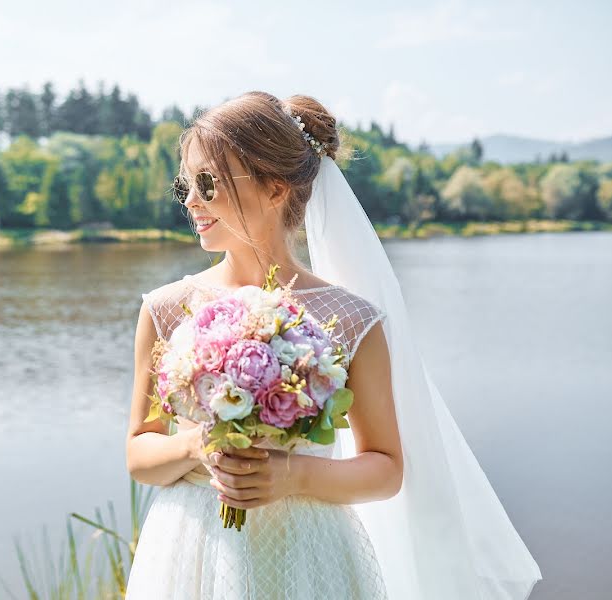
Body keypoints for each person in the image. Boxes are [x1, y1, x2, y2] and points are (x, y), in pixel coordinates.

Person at [124, 91, 541, 599]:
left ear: (274, 190)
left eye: (207, 183)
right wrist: (195, 444)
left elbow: (386, 469)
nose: (191, 201)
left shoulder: (350, 319)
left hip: (306, 552)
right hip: (191, 546)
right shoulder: (166, 309)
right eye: (185, 185)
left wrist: (293, 476)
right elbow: (140, 452)